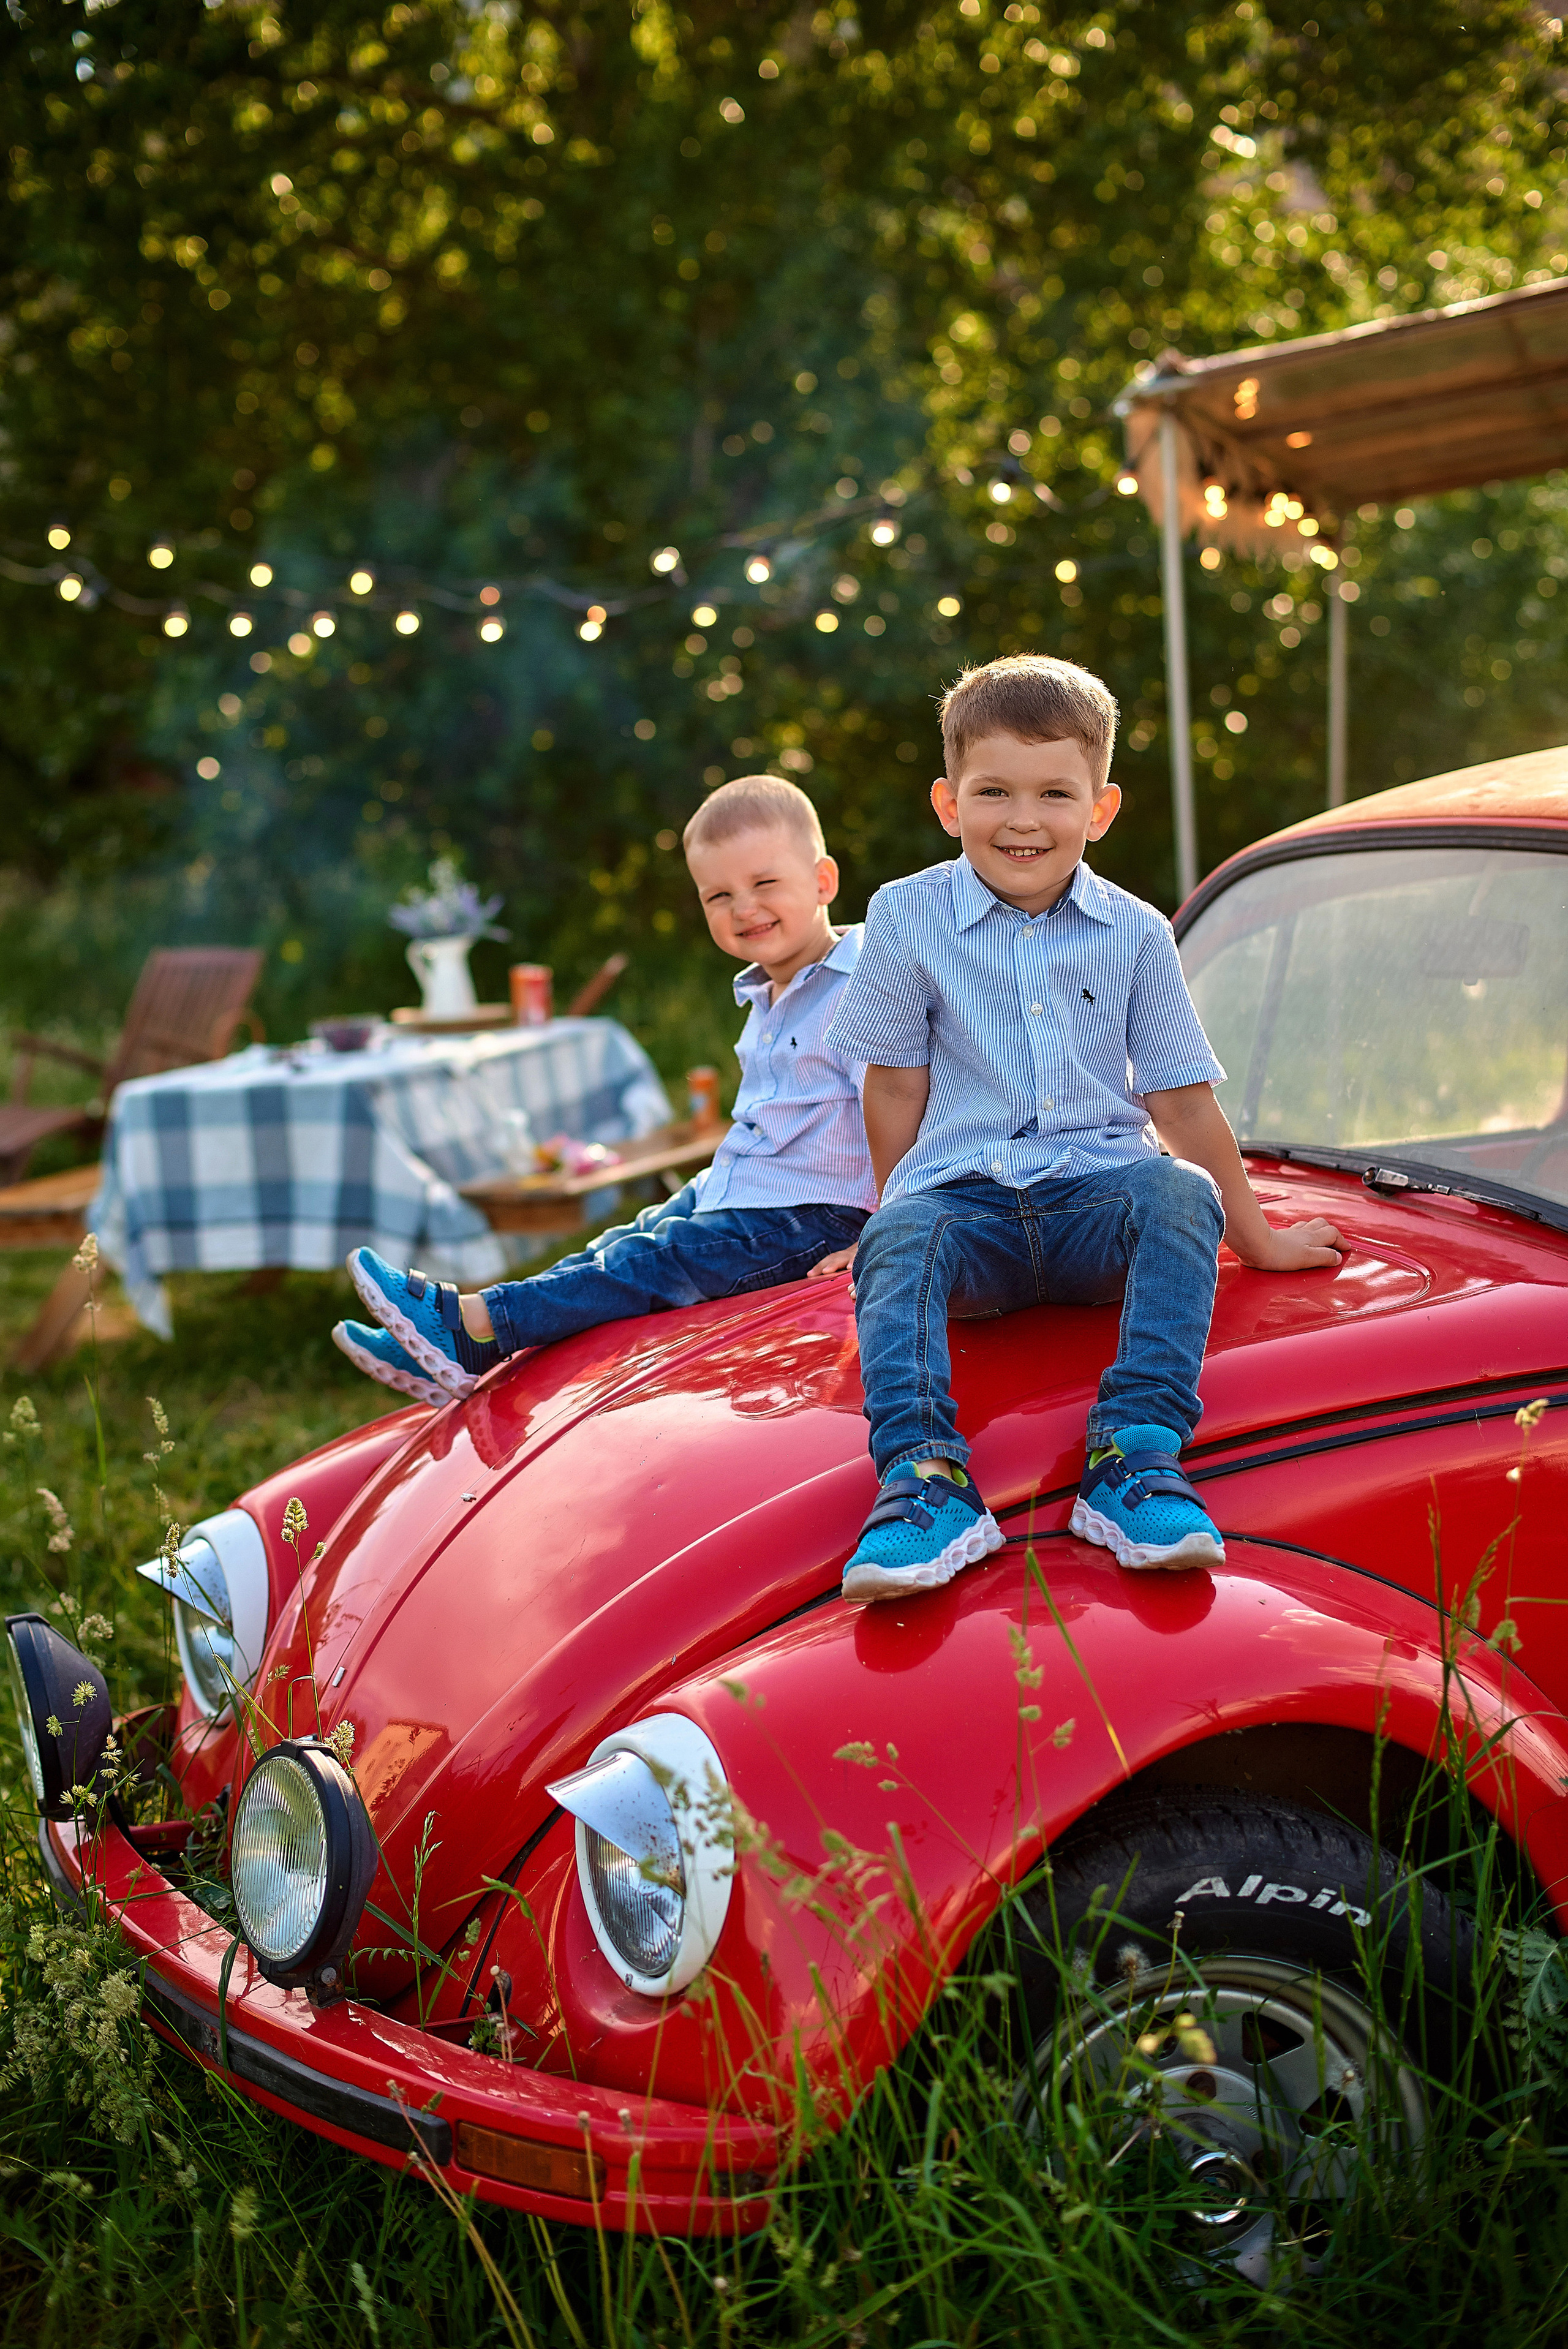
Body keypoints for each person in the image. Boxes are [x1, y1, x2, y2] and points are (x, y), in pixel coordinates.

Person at [827, 654, 1345, 1604]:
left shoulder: (1138, 930)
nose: (1023, 819)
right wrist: (885, 1226)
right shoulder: (902, 917)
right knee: (904, 1232)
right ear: (948, 802)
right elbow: (895, 1086)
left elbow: (1183, 1103)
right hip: (968, 1213)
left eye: (1055, 792)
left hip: (1096, 1207)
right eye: (994, 791)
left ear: (1101, 808)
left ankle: (1134, 1458)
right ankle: (925, 1480)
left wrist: (1258, 1236)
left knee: (1177, 1191)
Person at [334, 775, 876, 1404]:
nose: (742, 908)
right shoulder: (765, 992)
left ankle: (472, 1320)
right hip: (750, 1191)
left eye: (764, 884)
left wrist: (881, 1233)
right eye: (718, 894)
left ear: (823, 882)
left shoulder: (859, 982)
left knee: (658, 1259)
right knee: (624, 1241)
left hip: (817, 1217)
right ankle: (473, 1350)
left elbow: (905, 1111)